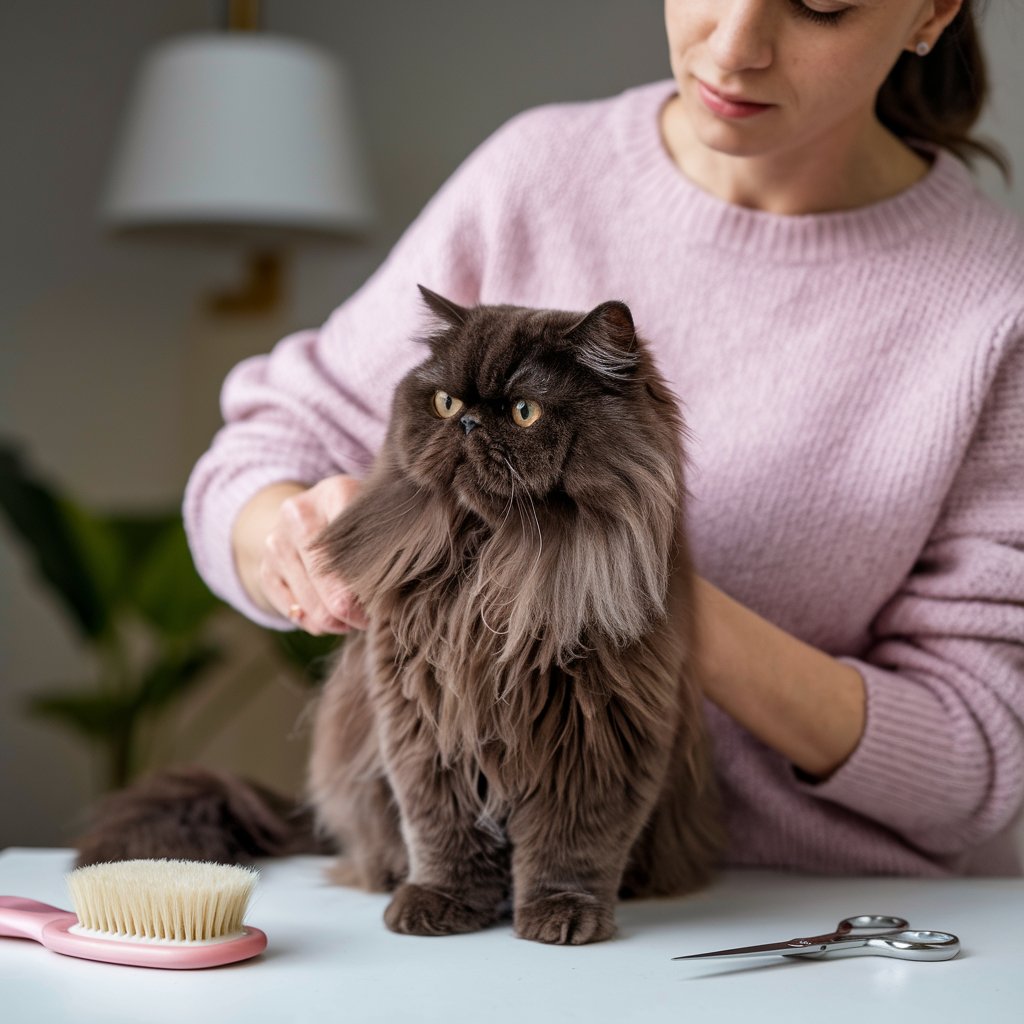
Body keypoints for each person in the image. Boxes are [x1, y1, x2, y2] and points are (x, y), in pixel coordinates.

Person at [184, 0, 1024, 877]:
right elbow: (254, 459)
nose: (735, 49)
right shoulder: (535, 174)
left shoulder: (993, 303)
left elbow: (976, 763)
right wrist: (288, 534)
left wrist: (646, 600)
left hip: (837, 923)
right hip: (504, 915)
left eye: (820, 6)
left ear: (930, 11)